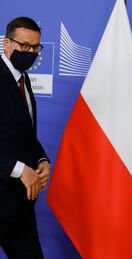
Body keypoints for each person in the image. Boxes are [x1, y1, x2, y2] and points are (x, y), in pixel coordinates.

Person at [0, 17, 51, 258]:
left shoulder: (24, 77)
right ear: (7, 45)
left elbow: (25, 133)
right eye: (24, 46)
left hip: (20, 205)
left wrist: (41, 159)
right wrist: (20, 169)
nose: (31, 53)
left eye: (36, 47)